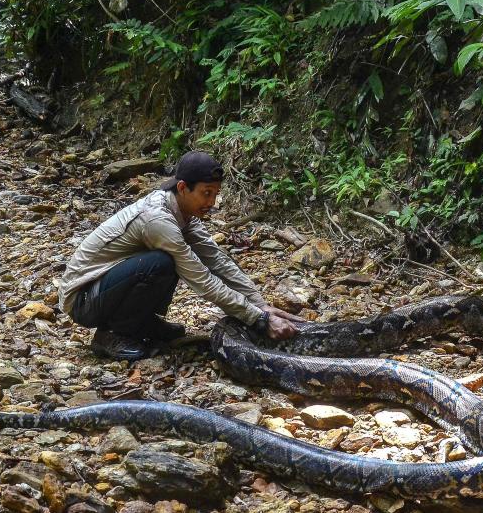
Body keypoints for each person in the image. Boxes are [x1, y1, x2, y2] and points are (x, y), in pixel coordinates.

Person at [58, 150, 303, 361]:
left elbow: (217, 260)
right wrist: (258, 319)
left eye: (216, 194)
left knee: (165, 262)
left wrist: (260, 304)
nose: (212, 202)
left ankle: (140, 322)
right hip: (83, 300)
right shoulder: (157, 221)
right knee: (161, 263)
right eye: (206, 193)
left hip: (104, 289)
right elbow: (202, 280)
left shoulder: (184, 214)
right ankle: (111, 334)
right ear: (183, 188)